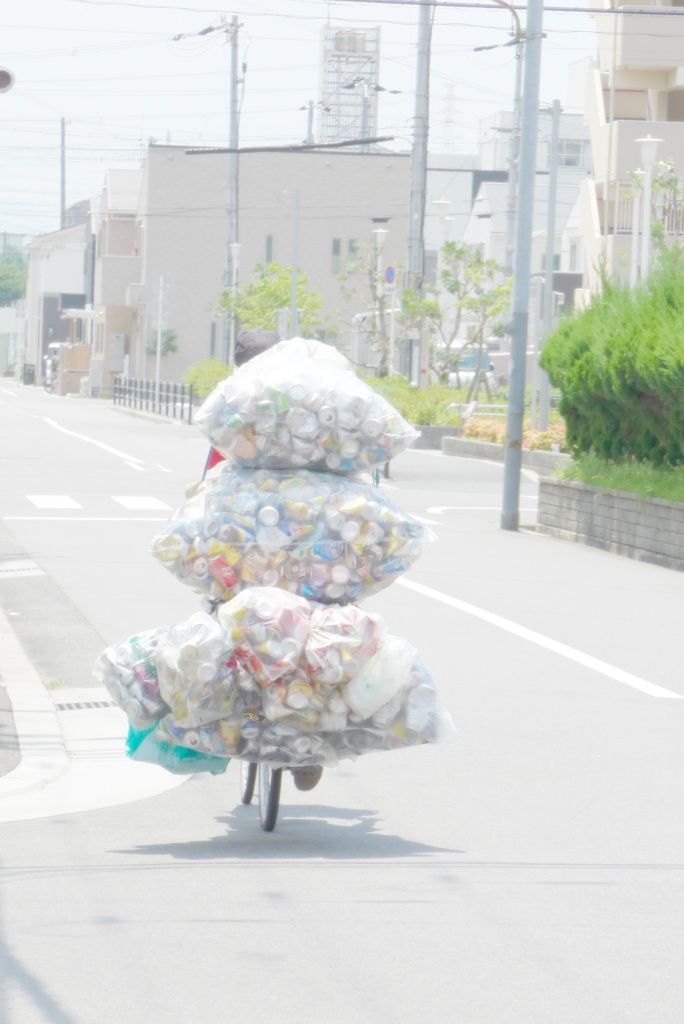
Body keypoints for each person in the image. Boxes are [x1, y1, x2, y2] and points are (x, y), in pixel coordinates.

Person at [203, 327, 323, 793]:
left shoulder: (231, 410)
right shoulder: (310, 406)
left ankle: (227, 721)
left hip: (247, 539)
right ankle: (308, 739)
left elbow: (212, 477)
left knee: (224, 617)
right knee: (317, 627)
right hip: (305, 537)